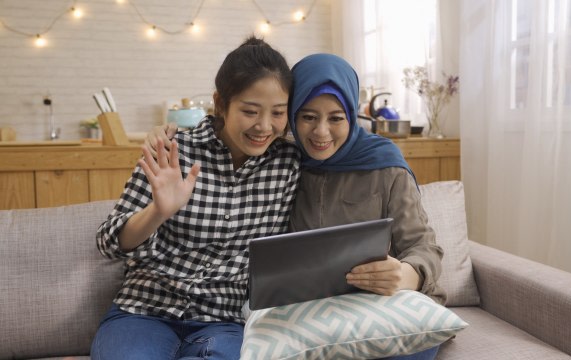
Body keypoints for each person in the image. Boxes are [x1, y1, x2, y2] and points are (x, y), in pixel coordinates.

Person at [148, 53, 446, 360]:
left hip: (380, 306)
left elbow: (424, 246)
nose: (321, 132)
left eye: (336, 118)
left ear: (353, 116)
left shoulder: (385, 166)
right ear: (291, 116)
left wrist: (408, 274)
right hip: (309, 314)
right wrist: (172, 134)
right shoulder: (280, 161)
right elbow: (230, 138)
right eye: (308, 117)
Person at [91, 36, 301, 360]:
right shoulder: (176, 150)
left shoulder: (289, 162)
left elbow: (338, 138)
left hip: (223, 322)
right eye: (250, 111)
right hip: (144, 310)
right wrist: (157, 212)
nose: (264, 126)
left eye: (278, 112)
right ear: (220, 104)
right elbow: (108, 243)